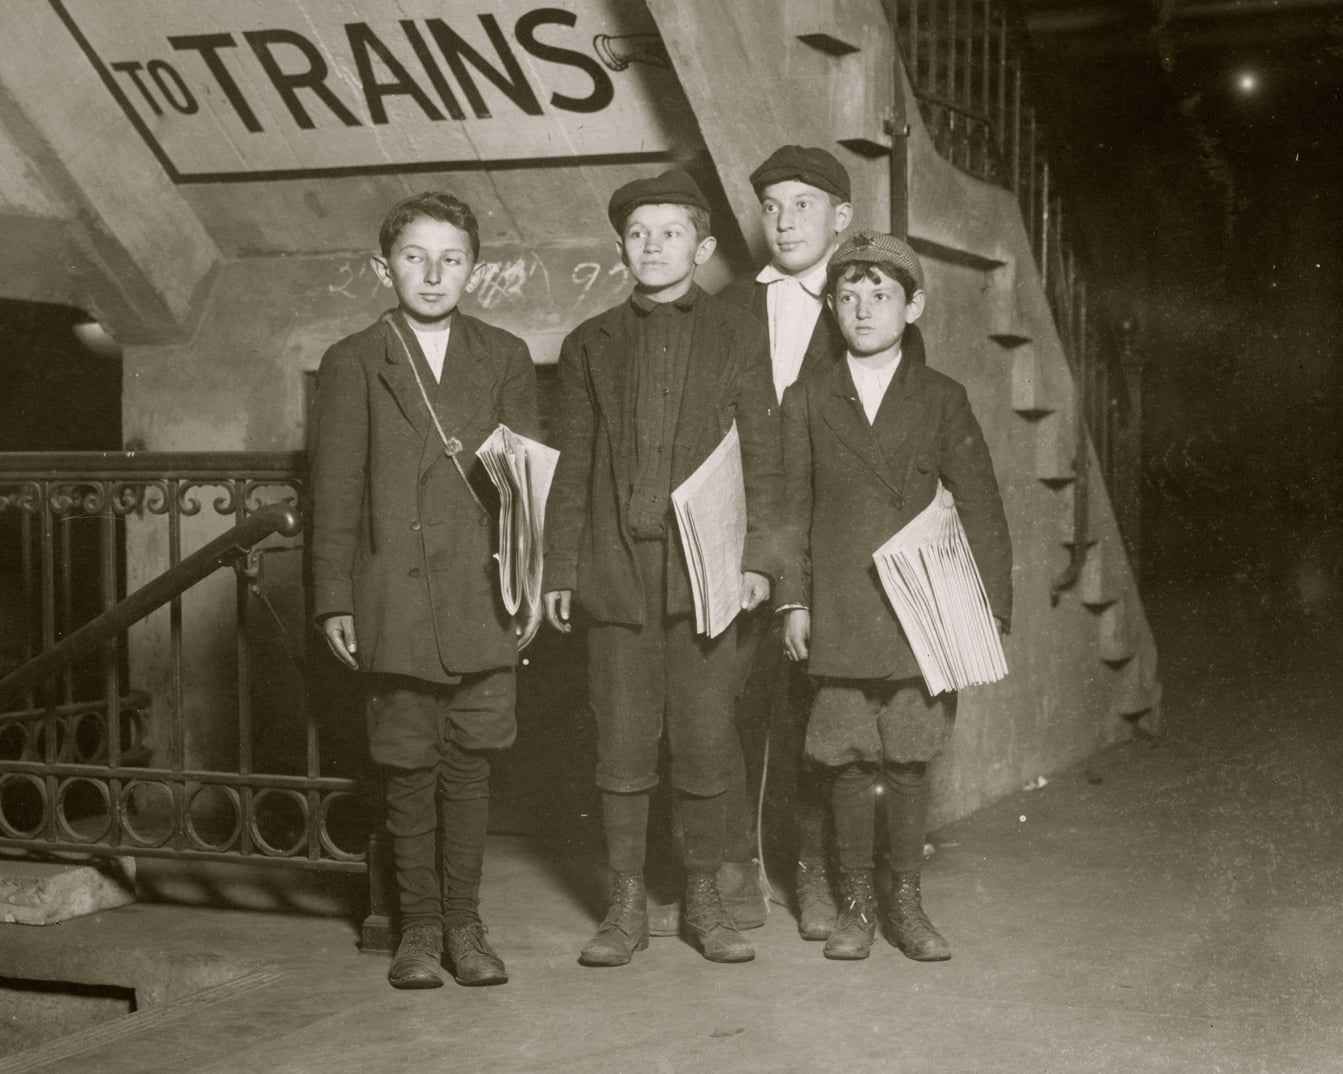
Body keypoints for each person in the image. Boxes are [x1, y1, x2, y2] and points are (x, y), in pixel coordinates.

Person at [542, 169, 782, 966]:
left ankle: (704, 901)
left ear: (703, 247)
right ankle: (623, 907)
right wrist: (559, 572)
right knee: (621, 745)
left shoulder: (740, 335)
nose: (653, 246)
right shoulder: (587, 344)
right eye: (638, 233)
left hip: (709, 576)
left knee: (706, 739)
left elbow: (768, 458)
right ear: (620, 248)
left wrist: (758, 562)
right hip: (616, 576)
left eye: (670, 232)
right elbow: (571, 467)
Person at [310, 191, 539, 989]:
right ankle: (418, 930)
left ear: (474, 268)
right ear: (384, 267)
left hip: (483, 596)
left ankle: (466, 927)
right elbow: (334, 491)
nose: (433, 273)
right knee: (406, 770)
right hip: (395, 602)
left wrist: (530, 583)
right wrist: (334, 596)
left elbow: (525, 490)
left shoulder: (505, 355)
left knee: (471, 768)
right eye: (415, 257)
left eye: (451, 258)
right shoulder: (353, 360)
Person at [776, 230, 1012, 962]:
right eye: (846, 296)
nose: (861, 308)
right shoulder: (808, 396)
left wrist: (988, 609)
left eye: (879, 295)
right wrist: (791, 600)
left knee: (908, 759)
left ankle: (904, 901)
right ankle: (854, 906)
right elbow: (788, 510)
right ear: (832, 309)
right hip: (841, 612)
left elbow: (981, 507)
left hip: (921, 614)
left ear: (912, 307)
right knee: (846, 760)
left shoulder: (942, 398)